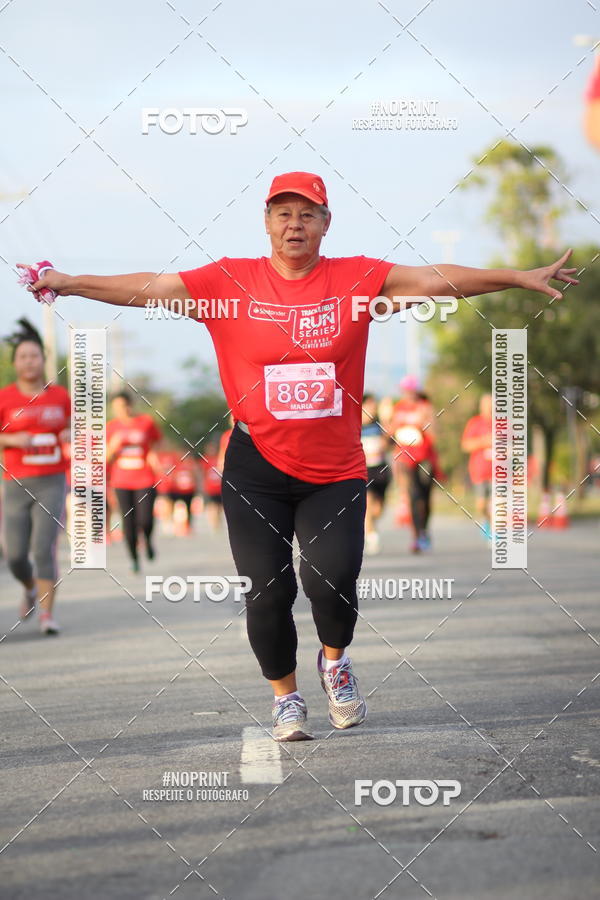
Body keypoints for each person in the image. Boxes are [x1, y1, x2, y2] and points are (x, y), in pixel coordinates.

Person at [21, 170, 578, 740]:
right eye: (283, 213)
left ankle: (334, 661)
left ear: (325, 223)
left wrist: (515, 276)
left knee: (332, 580)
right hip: (254, 467)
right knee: (267, 591)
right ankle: (285, 698)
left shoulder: (357, 278)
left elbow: (438, 280)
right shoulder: (227, 283)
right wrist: (69, 283)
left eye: (307, 213)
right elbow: (145, 288)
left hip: (334, 469)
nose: (295, 224)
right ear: (266, 223)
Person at [0, 318, 69, 634]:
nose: (29, 361)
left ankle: (48, 615)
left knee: (43, 548)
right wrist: (11, 439)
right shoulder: (5, 398)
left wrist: (70, 434)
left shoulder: (60, 397)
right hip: (15, 482)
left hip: (52, 481)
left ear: (44, 359)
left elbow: (78, 431)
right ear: (15, 363)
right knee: (15, 556)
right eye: (23, 356)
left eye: (35, 355)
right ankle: (29, 587)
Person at [106, 391, 161, 572]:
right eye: (116, 408)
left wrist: (155, 460)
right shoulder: (111, 428)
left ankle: (147, 539)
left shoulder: (145, 422)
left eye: (123, 406)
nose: (121, 410)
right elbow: (104, 458)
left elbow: (155, 444)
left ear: (130, 405)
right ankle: (134, 558)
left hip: (145, 478)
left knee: (145, 519)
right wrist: (113, 448)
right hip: (122, 481)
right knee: (128, 521)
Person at [387, 376, 440, 553]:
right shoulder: (398, 408)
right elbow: (390, 432)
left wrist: (425, 422)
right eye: (405, 390)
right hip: (405, 458)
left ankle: (424, 530)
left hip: (425, 457)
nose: (408, 393)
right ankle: (417, 536)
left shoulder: (425, 407)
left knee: (425, 497)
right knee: (413, 496)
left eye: (411, 390)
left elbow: (434, 434)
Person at [361, 393, 391, 555]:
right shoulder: (355, 426)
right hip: (364, 470)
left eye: (374, 406)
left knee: (378, 509)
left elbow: (389, 445)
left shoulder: (379, 426)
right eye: (369, 406)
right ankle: (371, 536)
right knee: (369, 503)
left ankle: (372, 526)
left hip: (381, 470)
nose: (372, 409)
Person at [461, 393, 493, 540]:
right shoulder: (475, 423)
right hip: (479, 471)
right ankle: (487, 521)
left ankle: (495, 532)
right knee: (481, 505)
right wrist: (484, 442)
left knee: (497, 505)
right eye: (486, 405)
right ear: (481, 407)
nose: (489, 408)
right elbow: (465, 445)